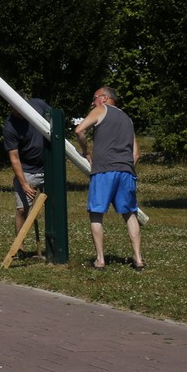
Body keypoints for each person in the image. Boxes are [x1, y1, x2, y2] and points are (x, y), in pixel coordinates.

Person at [73, 86, 144, 271]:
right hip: (126, 171)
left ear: (104, 98)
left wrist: (86, 152)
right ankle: (138, 258)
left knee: (96, 213)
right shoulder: (128, 119)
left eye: (94, 98)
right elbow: (136, 154)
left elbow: (79, 130)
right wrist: (126, 167)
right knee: (130, 213)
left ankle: (100, 260)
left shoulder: (101, 109)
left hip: (104, 170)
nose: (92, 103)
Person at [3, 97, 49, 258]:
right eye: (14, 108)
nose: (19, 112)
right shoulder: (10, 127)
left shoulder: (39, 105)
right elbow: (14, 157)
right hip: (27, 170)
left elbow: (54, 124)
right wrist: (23, 184)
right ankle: (20, 248)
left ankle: (54, 246)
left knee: (54, 207)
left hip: (48, 167)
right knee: (22, 209)